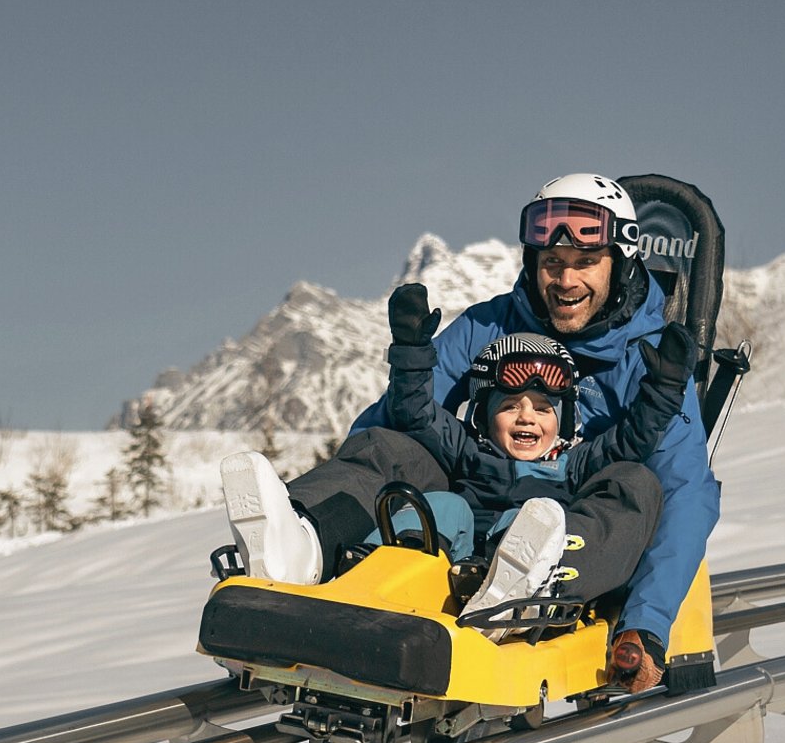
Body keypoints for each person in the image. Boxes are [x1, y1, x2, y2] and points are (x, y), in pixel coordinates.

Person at [221, 172, 719, 691]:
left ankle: (532, 583)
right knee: (391, 443)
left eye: (585, 264)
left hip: (576, 531)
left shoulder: (653, 359)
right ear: (532, 262)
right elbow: (402, 418)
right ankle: (303, 541)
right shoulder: (493, 326)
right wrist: (408, 368)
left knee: (636, 485)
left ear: (620, 264)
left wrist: (647, 623)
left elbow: (685, 493)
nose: (566, 281)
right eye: (552, 263)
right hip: (472, 518)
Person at [377, 282, 694, 642]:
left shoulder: (573, 463)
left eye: (544, 409)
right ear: (481, 415)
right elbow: (415, 413)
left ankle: (526, 592)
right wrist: (411, 351)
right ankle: (372, 570)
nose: (527, 418)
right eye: (510, 406)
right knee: (445, 507)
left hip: (532, 589)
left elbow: (631, 439)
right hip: (456, 568)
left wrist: (665, 389)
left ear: (563, 421)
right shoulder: (468, 450)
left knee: (534, 519)